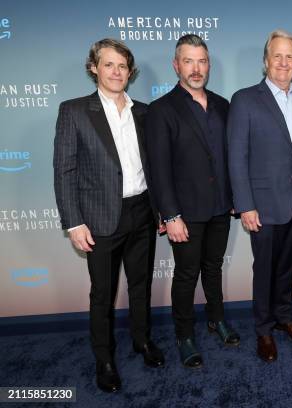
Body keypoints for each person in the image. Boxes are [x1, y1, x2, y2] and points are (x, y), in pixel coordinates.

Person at [53, 38, 164, 393]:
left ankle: (142, 340)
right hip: (99, 218)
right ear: (94, 68)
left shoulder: (144, 112)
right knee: (102, 292)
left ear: (130, 72)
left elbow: (155, 167)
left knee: (140, 284)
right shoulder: (74, 111)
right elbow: (64, 170)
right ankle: (104, 358)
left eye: (122, 66)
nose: (116, 72)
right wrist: (73, 222)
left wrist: (160, 210)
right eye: (109, 64)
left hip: (142, 211)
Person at [145, 34, 239, 369]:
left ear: (208, 65)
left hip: (220, 207)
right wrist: (170, 215)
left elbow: (230, 157)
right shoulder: (161, 110)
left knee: (214, 268)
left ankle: (217, 319)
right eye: (188, 61)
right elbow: (158, 168)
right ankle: (184, 335)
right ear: (176, 65)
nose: (196, 68)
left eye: (201, 61)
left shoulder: (223, 105)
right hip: (185, 212)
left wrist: (234, 197)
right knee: (186, 274)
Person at [228, 29, 292, 363]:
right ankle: (264, 330)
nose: (283, 62)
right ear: (266, 61)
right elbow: (237, 156)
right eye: (277, 56)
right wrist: (245, 205)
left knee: (287, 268)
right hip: (263, 206)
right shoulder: (245, 99)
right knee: (264, 269)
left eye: (289, 57)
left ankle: (284, 316)